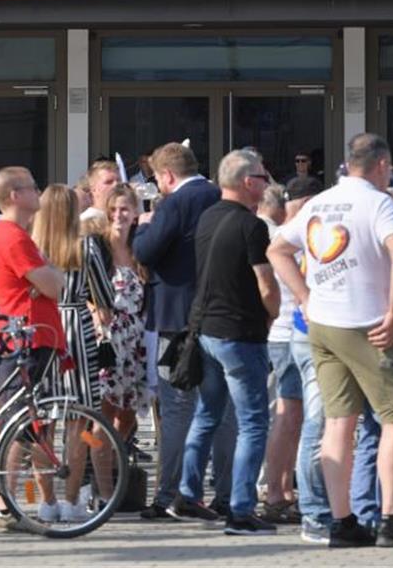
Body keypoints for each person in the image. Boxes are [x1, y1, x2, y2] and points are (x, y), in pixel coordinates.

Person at [268, 133, 393, 548]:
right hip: (367, 321)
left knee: (340, 420)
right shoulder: (377, 203)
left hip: (322, 323)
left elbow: (277, 249)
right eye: (388, 167)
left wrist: (304, 297)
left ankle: (342, 522)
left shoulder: (320, 202)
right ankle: (392, 517)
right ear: (381, 164)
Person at [172, 149, 280, 536]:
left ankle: (187, 493)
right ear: (248, 181)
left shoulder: (208, 218)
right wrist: (274, 312)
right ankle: (240, 509)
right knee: (253, 422)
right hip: (239, 333)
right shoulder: (252, 226)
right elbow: (266, 282)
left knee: (208, 414)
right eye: (264, 178)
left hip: (207, 331)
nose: (267, 184)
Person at [131, 142, 236, 520]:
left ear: (167, 175)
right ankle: (225, 493)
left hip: (177, 318)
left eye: (158, 179)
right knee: (222, 408)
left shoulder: (174, 203)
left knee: (177, 409)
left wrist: (141, 230)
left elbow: (146, 251)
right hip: (223, 315)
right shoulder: (222, 196)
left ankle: (168, 495)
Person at [0, 166, 67, 531]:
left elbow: (50, 281)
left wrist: (47, 276)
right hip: (27, 338)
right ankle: (3, 504)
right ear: (15, 195)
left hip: (30, 336)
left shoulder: (16, 234)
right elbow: (54, 285)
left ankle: (14, 501)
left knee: (28, 424)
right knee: (19, 422)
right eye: (34, 187)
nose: (39, 193)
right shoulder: (14, 236)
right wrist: (48, 274)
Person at [32, 184, 113, 522]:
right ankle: (71, 501)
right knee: (79, 420)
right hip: (77, 327)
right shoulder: (86, 246)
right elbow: (105, 297)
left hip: (41, 328)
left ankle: (46, 502)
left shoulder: (32, 246)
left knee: (42, 422)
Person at [85, 184, 150, 448]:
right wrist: (95, 311)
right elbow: (82, 287)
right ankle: (93, 464)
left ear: (135, 212)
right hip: (107, 335)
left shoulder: (140, 247)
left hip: (136, 339)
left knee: (128, 415)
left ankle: (111, 461)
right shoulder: (98, 246)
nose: (118, 215)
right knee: (101, 414)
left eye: (125, 209)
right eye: (113, 209)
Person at [257, 183, 303, 524]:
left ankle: (281, 491)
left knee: (286, 417)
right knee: (286, 417)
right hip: (286, 334)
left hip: (281, 334)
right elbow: (269, 287)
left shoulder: (281, 235)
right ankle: (275, 492)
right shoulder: (284, 238)